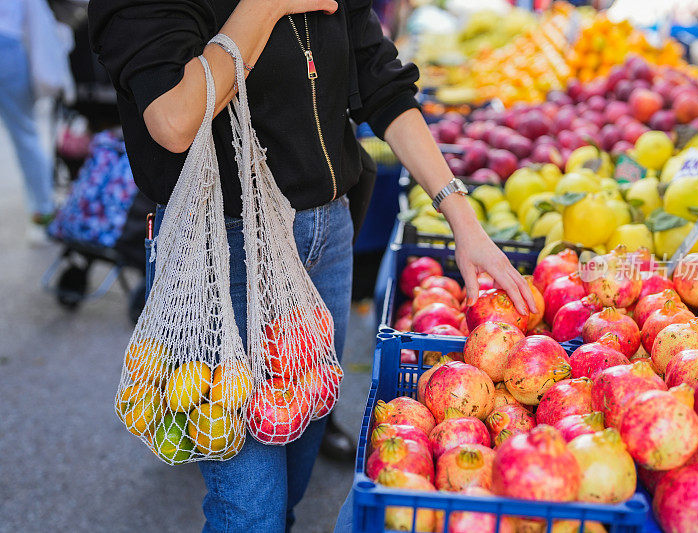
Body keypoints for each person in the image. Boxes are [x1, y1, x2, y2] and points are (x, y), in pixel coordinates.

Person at [88, 0, 538, 530]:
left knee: (294, 473)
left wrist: (463, 219)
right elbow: (173, 120)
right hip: (225, 253)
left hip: (328, 236)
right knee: (251, 510)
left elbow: (382, 84)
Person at [0, 0, 57, 243]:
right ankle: (43, 214)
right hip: (10, 46)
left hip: (9, 46)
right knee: (26, 137)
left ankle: (43, 214)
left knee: (26, 138)